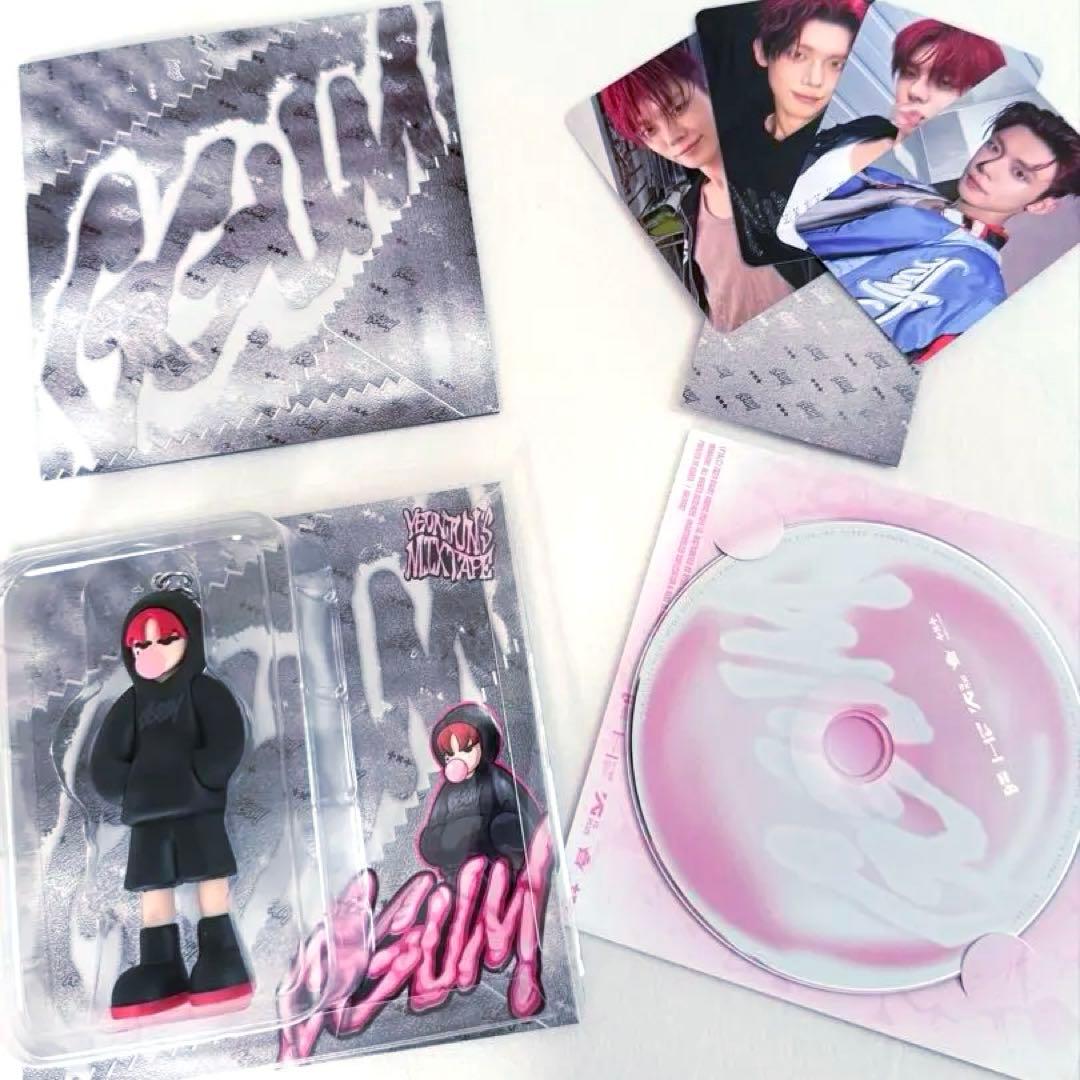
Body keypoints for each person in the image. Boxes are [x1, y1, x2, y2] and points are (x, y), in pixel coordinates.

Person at [797, 101, 1080, 361]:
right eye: (994, 147)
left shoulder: (976, 289)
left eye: (1019, 173)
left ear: (1042, 204)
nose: (988, 167)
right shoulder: (905, 188)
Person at [90, 584, 251, 1020]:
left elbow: (227, 737)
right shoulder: (130, 705)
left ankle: (221, 955)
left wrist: (203, 775)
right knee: (154, 889)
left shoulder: (203, 692)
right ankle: (159, 965)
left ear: (190, 640)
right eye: (141, 645)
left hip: (197, 810)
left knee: (209, 879)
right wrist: (124, 786)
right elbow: (105, 760)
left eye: (166, 639)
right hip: (147, 819)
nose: (153, 652)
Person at [599, 46, 794, 331]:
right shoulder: (691, 211)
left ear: (708, 88)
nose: (672, 136)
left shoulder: (788, 175)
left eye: (678, 107)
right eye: (649, 130)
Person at [779, 19, 1006, 247]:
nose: (915, 91)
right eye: (909, 73)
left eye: (944, 82)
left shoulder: (940, 203)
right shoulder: (869, 128)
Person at [717, 0, 867, 273]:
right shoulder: (733, 142)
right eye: (798, 54)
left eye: (836, 64)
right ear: (762, 50)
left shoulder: (852, 154)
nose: (815, 79)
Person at [418, 702, 541, 880]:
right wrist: (447, 839)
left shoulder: (496, 779)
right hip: (460, 870)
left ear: (483, 744)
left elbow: (525, 815)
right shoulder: (447, 792)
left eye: (466, 749)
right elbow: (434, 831)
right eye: (449, 755)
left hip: (497, 865)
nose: (458, 759)